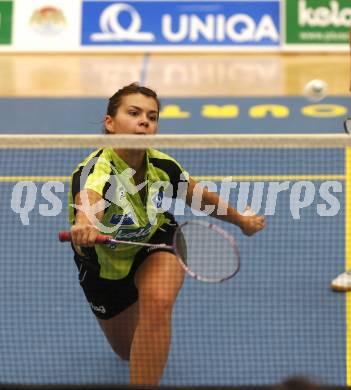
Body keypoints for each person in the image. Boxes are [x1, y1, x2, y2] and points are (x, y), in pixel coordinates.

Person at [68, 82, 266, 385]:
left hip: (155, 239)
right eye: (133, 113)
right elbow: (89, 197)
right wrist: (85, 221)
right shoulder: (96, 170)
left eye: (152, 116)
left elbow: (200, 197)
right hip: (103, 263)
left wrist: (242, 221)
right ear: (110, 122)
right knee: (127, 351)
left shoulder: (162, 165)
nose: (145, 121)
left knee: (158, 303)